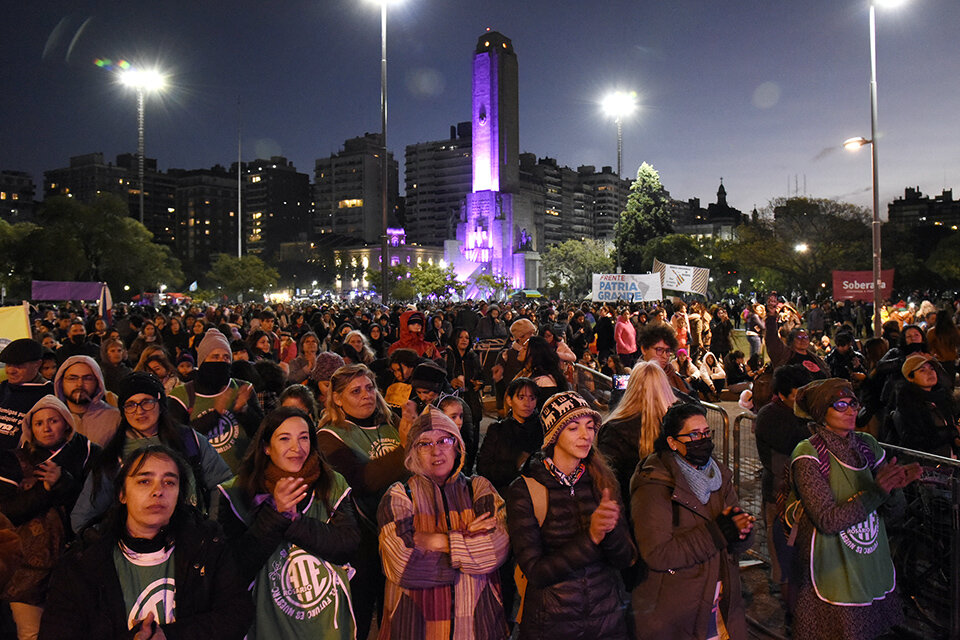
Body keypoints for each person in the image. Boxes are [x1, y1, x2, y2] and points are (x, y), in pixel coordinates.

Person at [40, 445, 253, 639]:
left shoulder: (207, 544)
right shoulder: (83, 562)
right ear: (122, 494)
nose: (158, 491)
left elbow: (236, 614)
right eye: (144, 481)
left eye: (169, 482)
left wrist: (170, 636)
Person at [787, 378, 921, 640]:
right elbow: (826, 520)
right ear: (821, 413)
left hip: (868, 562)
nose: (850, 410)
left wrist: (895, 490)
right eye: (840, 404)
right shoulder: (808, 454)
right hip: (831, 568)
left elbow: (892, 513)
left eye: (853, 403)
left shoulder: (867, 445)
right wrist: (878, 492)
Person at [216, 407, 360, 639]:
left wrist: (295, 521)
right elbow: (236, 568)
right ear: (266, 447)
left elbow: (347, 545)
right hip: (267, 622)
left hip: (324, 625)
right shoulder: (236, 492)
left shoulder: (332, 484)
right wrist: (275, 514)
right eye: (285, 439)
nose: (297, 448)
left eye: (304, 438)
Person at [506, 391, 635, 640]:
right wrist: (592, 536)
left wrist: (612, 531)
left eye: (590, 427)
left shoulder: (603, 480)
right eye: (574, 428)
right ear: (554, 435)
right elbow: (536, 572)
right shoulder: (526, 489)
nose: (586, 436)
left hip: (606, 621)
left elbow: (625, 559)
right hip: (552, 624)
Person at [378, 407, 510, 640]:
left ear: (457, 445)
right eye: (424, 444)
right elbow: (402, 565)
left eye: (444, 440)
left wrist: (439, 540)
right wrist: (468, 548)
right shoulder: (399, 496)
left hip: (477, 628)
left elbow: (496, 548)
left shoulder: (479, 488)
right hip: (415, 628)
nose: (436, 450)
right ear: (413, 452)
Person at [631, 402, 755, 639]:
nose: (703, 440)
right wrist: (719, 533)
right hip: (678, 608)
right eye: (694, 434)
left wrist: (743, 531)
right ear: (672, 442)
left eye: (707, 433)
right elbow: (657, 553)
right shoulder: (655, 483)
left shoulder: (718, 475)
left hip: (721, 600)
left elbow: (734, 531)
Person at [316, 364, 416, 640]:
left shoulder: (391, 423)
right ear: (337, 398)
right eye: (356, 391)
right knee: (358, 618)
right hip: (363, 542)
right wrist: (407, 447)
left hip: (404, 533)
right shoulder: (329, 436)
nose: (366, 395)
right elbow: (361, 481)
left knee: (399, 615)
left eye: (370, 388)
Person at [71, 372, 232, 533]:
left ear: (160, 404)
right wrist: (119, 540)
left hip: (191, 541)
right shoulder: (114, 457)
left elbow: (222, 483)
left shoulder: (189, 440)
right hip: (139, 552)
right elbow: (82, 519)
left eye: (147, 402)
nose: (139, 411)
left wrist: (212, 528)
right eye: (130, 404)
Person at [0, 396, 98, 640]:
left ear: (66, 423)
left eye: (53, 420)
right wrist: (44, 489)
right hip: (26, 570)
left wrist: (64, 481)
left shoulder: (89, 453)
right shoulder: (13, 460)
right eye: (38, 423)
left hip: (72, 564)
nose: (46, 427)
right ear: (30, 428)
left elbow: (92, 505)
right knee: (30, 633)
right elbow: (7, 513)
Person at [754, 364, 812, 607]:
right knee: (782, 553)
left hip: (805, 493)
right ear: (786, 393)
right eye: (800, 391)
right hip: (779, 494)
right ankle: (789, 606)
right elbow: (792, 443)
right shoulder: (770, 415)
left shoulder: (800, 412)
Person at [167, 329, 263, 474]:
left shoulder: (244, 388)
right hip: (203, 480)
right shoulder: (181, 395)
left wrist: (244, 410)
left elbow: (261, 431)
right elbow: (177, 441)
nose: (221, 362)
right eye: (215, 357)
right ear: (203, 361)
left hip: (242, 477)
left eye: (226, 358)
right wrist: (215, 414)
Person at [599, 361, 676, 505]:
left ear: (632, 387)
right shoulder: (679, 425)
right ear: (665, 387)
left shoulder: (613, 429)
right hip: (674, 511)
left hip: (632, 510)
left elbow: (607, 481)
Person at [887, 352, 958, 456]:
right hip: (927, 464)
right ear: (910, 377)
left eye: (932, 369)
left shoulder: (942, 398)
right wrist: (952, 432)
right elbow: (916, 440)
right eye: (922, 370)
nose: (930, 373)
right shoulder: (907, 404)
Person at [0, 339, 54, 451]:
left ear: (37, 364)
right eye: (8, 364)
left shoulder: (49, 394)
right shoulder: (3, 387)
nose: (10, 371)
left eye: (18, 365)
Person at [446, 328, 484, 471]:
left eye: (467, 338)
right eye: (460, 337)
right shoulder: (448, 356)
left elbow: (481, 376)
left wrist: (479, 383)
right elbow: (443, 376)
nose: (464, 340)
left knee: (472, 437)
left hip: (471, 400)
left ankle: (468, 469)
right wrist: (451, 381)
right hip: (453, 400)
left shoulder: (473, 356)